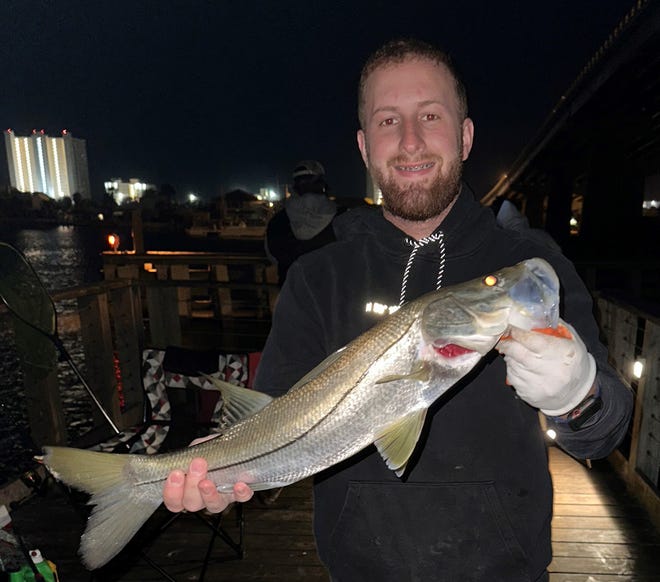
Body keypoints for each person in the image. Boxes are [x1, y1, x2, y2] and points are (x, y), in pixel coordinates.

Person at [163, 38, 632, 581]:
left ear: (465, 135)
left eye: (430, 116)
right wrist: (217, 475)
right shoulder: (317, 277)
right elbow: (267, 419)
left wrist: (579, 396)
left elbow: (606, 431)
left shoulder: (527, 266)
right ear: (364, 147)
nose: (410, 141)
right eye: (389, 121)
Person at [265, 160, 339, 284]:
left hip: (291, 292)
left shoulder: (278, 220)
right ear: (322, 184)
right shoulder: (341, 218)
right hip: (330, 291)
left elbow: (272, 255)